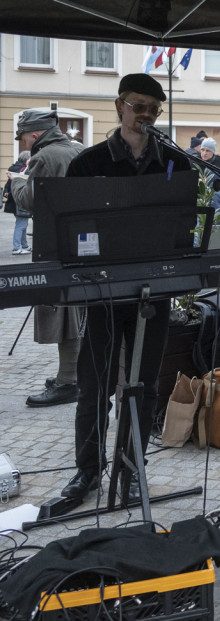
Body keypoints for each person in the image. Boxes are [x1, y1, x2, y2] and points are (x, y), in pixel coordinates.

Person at [60, 73, 194, 500]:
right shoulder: (88, 163)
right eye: (139, 106)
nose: (147, 115)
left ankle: (133, 467)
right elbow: (69, 228)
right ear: (120, 106)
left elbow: (186, 225)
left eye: (155, 109)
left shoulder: (176, 163)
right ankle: (87, 471)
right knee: (94, 384)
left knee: (144, 383)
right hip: (100, 291)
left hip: (153, 291)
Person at [8, 109, 84, 407]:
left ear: (35, 135)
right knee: (76, 312)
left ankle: (69, 382)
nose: (23, 143)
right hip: (82, 242)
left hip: (55, 245)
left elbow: (29, 200)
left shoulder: (45, 157)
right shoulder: (77, 148)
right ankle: (72, 375)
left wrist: (16, 180)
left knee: (63, 314)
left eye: (24, 137)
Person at [4, 151, 32, 254]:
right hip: (22, 200)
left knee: (22, 224)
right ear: (28, 160)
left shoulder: (13, 168)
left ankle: (25, 246)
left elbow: (8, 183)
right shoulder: (25, 170)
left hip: (13, 201)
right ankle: (16, 248)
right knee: (21, 225)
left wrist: (6, 191)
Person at [198, 137, 220, 212]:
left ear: (213, 152)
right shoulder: (195, 162)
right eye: (202, 150)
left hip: (216, 202)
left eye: (208, 151)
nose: (204, 153)